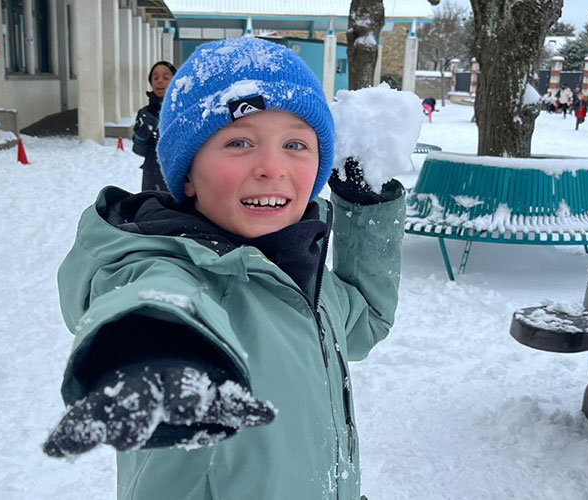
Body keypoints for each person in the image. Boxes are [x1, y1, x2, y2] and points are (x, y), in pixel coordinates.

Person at [43, 37, 405, 500]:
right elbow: (155, 298)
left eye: (295, 143)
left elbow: (364, 323)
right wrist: (155, 343)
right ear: (188, 174)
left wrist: (366, 206)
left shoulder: (298, 270)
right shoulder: (172, 267)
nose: (272, 167)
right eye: (239, 142)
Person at [133, 61, 176, 191]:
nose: (160, 81)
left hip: (178, 180)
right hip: (152, 180)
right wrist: (141, 137)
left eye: (166, 77)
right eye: (155, 78)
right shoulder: (145, 114)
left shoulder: (183, 111)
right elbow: (139, 151)